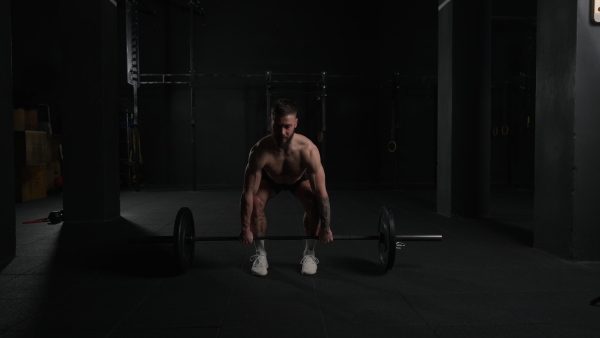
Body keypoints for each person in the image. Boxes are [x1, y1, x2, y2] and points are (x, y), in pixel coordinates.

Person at [239, 98, 334, 276]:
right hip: (270, 179)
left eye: (287, 126)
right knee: (256, 202)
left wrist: (326, 228)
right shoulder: (260, 150)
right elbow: (248, 194)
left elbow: (322, 193)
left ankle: (309, 254)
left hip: (297, 178)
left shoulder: (308, 150)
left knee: (313, 202)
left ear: (296, 123)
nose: (282, 132)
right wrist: (245, 229)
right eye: (277, 125)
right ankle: (261, 254)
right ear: (271, 121)